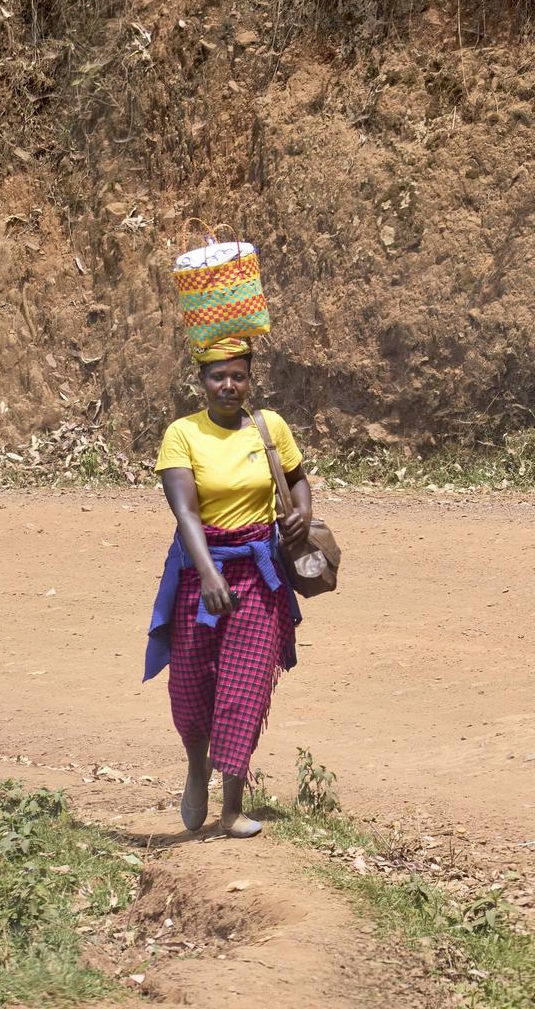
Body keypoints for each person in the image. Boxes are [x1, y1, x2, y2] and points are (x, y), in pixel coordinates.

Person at [144, 336, 312, 838]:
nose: (228, 386)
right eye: (218, 376)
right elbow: (185, 511)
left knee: (244, 686)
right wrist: (211, 574)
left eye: (238, 376)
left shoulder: (269, 427)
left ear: (249, 379)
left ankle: (233, 806)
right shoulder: (182, 434)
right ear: (201, 381)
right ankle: (198, 766)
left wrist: (304, 511)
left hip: (260, 573)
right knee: (192, 685)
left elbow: (297, 477)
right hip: (200, 570)